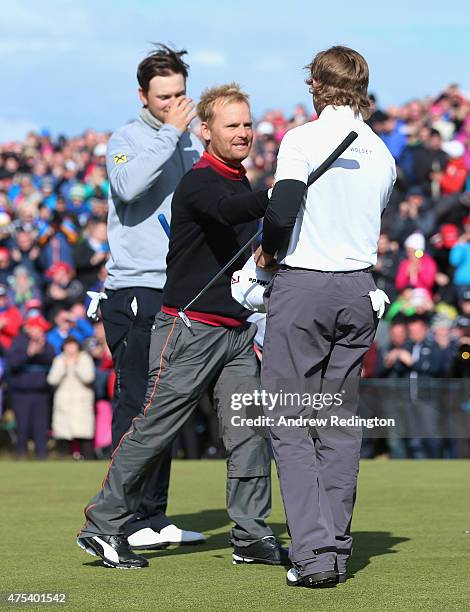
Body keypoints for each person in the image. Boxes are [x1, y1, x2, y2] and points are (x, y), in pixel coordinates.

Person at [77, 83, 288, 570]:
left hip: (235, 331)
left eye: (247, 124)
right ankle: (103, 525)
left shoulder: (238, 180)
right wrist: (274, 195)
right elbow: (228, 212)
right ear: (205, 130)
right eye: (231, 125)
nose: (242, 133)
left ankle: (251, 534)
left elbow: (246, 232)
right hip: (188, 329)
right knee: (154, 430)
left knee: (249, 435)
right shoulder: (199, 180)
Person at [255, 46, 396, 588]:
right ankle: (334, 547)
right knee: (338, 426)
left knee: (290, 424)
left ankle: (314, 558)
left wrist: (268, 251)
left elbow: (284, 206)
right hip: (359, 288)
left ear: (315, 84)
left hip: (306, 285)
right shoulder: (381, 150)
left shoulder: (302, 138)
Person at [91, 44, 204, 549]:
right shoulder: (126, 139)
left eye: (181, 94)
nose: (174, 104)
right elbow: (130, 185)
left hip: (180, 289)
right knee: (136, 402)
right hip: (135, 288)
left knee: (165, 410)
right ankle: (122, 519)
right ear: (143, 96)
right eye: (164, 97)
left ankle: (153, 518)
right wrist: (170, 134)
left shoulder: (189, 142)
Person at [7, 313, 55, 458]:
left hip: (41, 393)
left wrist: (40, 351)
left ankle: (42, 456)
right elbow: (13, 364)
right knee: (22, 427)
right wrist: (29, 353)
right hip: (22, 393)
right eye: (39, 328)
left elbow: (52, 360)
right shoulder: (19, 342)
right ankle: (20, 455)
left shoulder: (47, 344)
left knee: (41, 428)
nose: (41, 331)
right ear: (30, 328)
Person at [48, 336, 96, 459]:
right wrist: (63, 367)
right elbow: (52, 379)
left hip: (81, 403)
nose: (70, 349)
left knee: (83, 434)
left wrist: (76, 365)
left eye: (72, 345)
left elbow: (89, 377)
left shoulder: (84, 358)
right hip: (64, 403)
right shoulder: (59, 360)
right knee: (64, 434)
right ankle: (65, 459)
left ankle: (88, 459)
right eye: (67, 346)